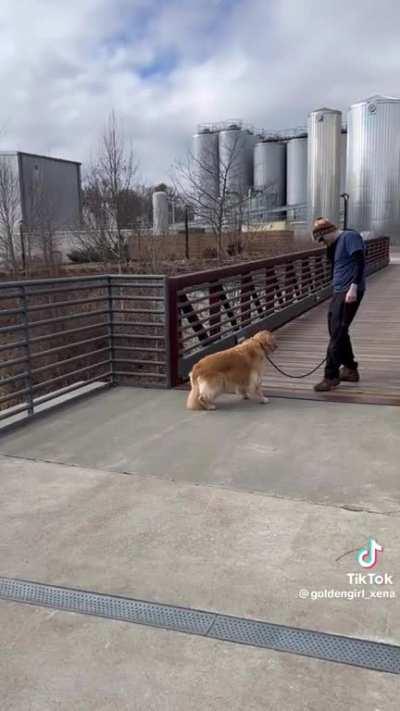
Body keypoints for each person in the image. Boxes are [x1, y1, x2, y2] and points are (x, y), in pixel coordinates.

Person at [312, 217, 366, 392]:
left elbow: (360, 262)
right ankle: (350, 369)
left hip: (349, 291)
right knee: (337, 330)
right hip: (339, 290)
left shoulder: (349, 237)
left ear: (328, 232)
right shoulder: (334, 245)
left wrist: (353, 288)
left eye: (322, 239)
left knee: (337, 332)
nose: (322, 243)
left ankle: (331, 376)